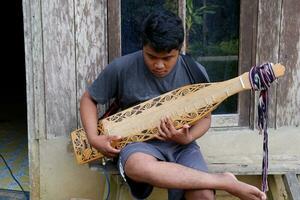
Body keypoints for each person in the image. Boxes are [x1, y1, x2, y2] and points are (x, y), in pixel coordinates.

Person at [80, 9, 267, 200]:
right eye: (151, 56)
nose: (159, 65)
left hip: (181, 146)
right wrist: (94, 138)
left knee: (203, 195)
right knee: (137, 166)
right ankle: (223, 182)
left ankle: (218, 182)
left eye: (168, 58)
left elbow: (205, 119)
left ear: (179, 49)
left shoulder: (195, 72)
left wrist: (187, 138)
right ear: (142, 46)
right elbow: (89, 99)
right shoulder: (122, 68)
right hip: (138, 145)